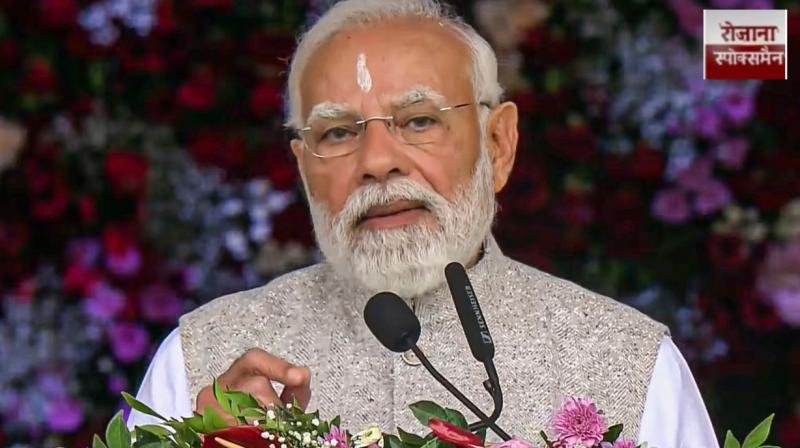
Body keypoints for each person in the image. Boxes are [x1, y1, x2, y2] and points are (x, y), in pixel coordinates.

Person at [128, 1, 718, 446]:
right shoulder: (201, 360)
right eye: (337, 132)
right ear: (304, 170)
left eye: (418, 121)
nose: (378, 162)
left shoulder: (627, 362)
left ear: (498, 145)